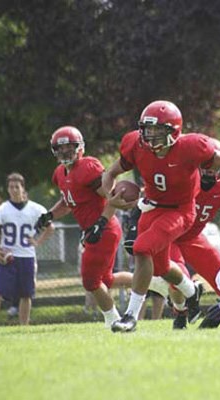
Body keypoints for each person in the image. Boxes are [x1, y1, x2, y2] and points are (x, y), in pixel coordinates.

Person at [102, 100, 220, 333]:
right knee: (160, 269)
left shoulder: (191, 147)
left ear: (173, 130)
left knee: (141, 248)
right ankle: (192, 291)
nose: (151, 136)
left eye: (158, 130)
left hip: (180, 211)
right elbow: (111, 172)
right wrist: (111, 198)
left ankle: (130, 316)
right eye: (148, 130)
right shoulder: (136, 145)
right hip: (152, 208)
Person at [33, 126, 158, 329]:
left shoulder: (87, 167)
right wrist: (49, 215)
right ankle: (154, 283)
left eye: (69, 147)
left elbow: (111, 198)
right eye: (61, 148)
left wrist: (100, 224)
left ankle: (113, 320)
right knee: (106, 279)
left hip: (104, 228)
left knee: (90, 282)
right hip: (95, 229)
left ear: (79, 147)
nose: (65, 152)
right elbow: (68, 202)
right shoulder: (59, 173)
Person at [124, 138, 220, 329]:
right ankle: (180, 311)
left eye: (214, 168)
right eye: (206, 167)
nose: (209, 172)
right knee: (177, 278)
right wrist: (133, 231)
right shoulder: (181, 177)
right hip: (171, 234)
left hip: (193, 237)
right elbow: (148, 200)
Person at [0, 173, 54, 326]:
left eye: (16, 187)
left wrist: (38, 241)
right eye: (11, 187)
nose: (13, 190)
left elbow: (50, 227)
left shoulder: (36, 209)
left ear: (22, 188)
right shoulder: (1, 211)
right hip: (9, 257)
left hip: (27, 257)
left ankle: (24, 326)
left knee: (26, 294)